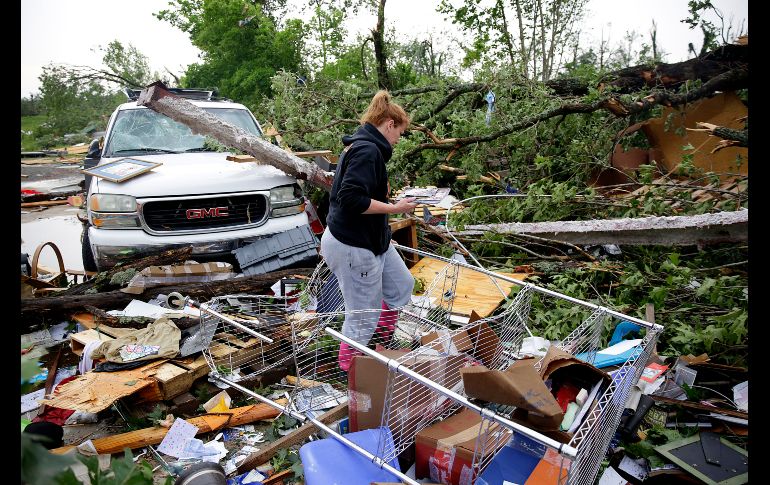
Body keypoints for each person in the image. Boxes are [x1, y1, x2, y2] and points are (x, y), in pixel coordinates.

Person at [320, 90, 418, 371]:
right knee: (363, 315)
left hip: (374, 239)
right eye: (399, 131)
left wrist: (382, 194)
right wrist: (394, 209)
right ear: (389, 124)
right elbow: (350, 199)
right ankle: (350, 372)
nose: (399, 138)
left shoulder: (364, 147)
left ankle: (382, 343)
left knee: (402, 286)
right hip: (353, 245)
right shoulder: (367, 150)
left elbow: (348, 189)